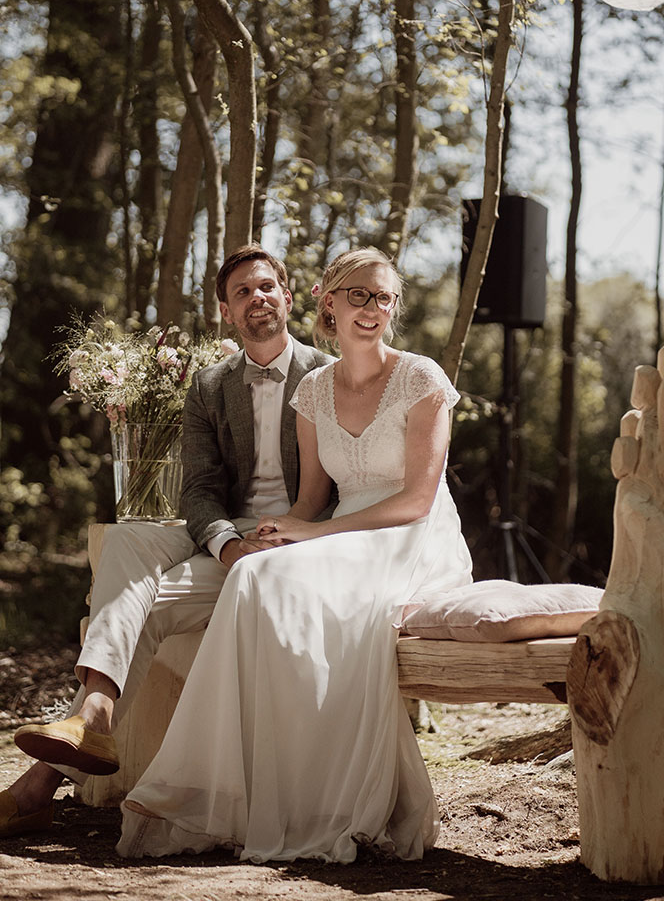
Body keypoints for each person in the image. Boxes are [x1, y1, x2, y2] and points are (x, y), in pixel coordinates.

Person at [0, 245, 332, 840]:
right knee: (130, 545)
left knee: (139, 608)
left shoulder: (327, 375)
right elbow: (200, 491)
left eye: (265, 287)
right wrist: (228, 546)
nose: (256, 298)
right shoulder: (209, 385)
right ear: (227, 315)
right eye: (241, 292)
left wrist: (291, 537)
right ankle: (94, 715)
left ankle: (35, 789)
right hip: (232, 542)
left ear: (286, 295)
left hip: (301, 545)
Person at [116, 247, 473, 863]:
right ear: (327, 301)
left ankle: (325, 802)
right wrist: (276, 535)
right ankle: (227, 790)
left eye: (384, 298)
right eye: (358, 295)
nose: (372, 309)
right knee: (256, 574)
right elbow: (310, 502)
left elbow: (417, 501)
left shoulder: (422, 378)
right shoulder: (313, 391)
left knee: (283, 583)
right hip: (341, 530)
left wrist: (310, 536)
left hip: (413, 540)